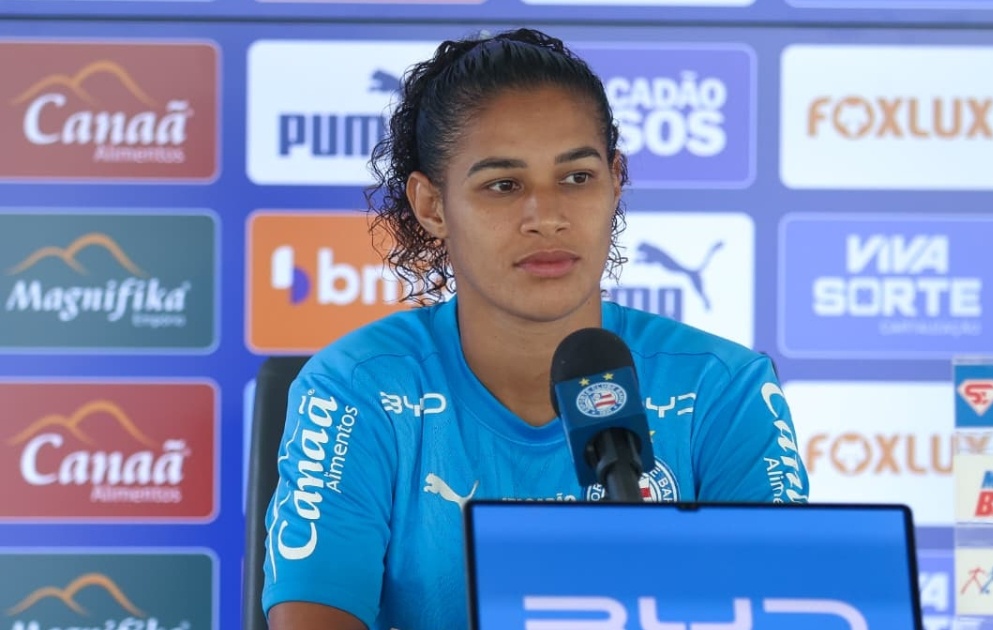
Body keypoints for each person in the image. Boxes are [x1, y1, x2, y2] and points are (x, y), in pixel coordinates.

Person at [261, 27, 810, 630]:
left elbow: (784, 610)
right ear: (432, 206)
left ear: (615, 182)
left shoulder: (724, 389)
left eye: (577, 177)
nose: (547, 217)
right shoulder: (357, 388)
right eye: (503, 185)